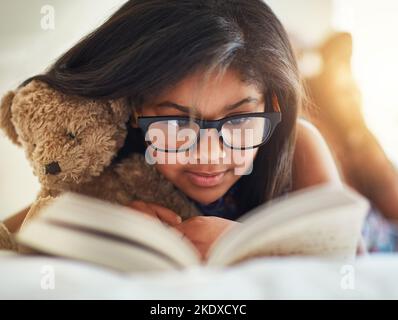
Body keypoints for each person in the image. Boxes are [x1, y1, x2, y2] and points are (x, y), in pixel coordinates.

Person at [12, 0, 341, 258]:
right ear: (136, 109)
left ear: (272, 106)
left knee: (382, 190)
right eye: (177, 123)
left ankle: (342, 112)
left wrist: (247, 244)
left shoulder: (301, 144)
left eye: (239, 119)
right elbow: (17, 232)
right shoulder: (112, 161)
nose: (209, 156)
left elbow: (347, 255)